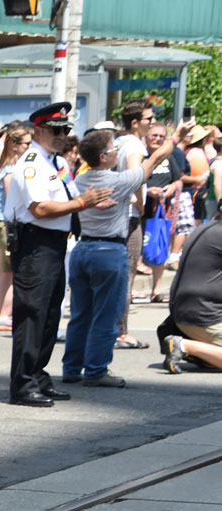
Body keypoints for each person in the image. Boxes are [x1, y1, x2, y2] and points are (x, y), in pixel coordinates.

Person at [3, 102, 115, 407]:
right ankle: (23, 384)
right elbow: (39, 208)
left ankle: (37, 376)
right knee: (32, 313)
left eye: (65, 130)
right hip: (35, 243)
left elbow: (66, 198)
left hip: (54, 242)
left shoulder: (55, 162)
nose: (63, 135)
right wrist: (82, 203)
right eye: (56, 130)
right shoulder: (31, 163)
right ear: (39, 130)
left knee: (50, 314)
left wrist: (88, 202)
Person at [63, 122, 189, 387]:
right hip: (109, 250)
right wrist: (176, 137)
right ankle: (96, 370)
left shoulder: (79, 181)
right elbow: (155, 159)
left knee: (80, 314)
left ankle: (72, 368)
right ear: (103, 157)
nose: (117, 152)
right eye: (113, 149)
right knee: (107, 314)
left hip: (83, 248)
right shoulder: (118, 181)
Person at [114, 98, 154, 349]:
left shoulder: (118, 141)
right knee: (127, 273)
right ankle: (121, 331)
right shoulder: (134, 145)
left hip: (115, 214)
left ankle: (113, 328)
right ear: (136, 122)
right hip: (128, 214)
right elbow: (134, 175)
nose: (153, 122)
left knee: (118, 273)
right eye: (149, 119)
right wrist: (139, 201)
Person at [164, 215, 222, 372]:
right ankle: (184, 346)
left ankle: (206, 353)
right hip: (204, 316)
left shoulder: (206, 228)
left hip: (186, 314)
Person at [0, 127, 32, 330]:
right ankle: (5, 315)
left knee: (3, 270)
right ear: (15, 146)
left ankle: (1, 311)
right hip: (7, 223)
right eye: (27, 144)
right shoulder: (9, 170)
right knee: (11, 272)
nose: (30, 147)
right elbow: (12, 200)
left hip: (2, 222)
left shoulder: (9, 167)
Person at [142, 123, 183, 301]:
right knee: (136, 249)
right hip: (140, 209)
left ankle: (156, 291)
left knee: (160, 248)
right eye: (154, 135)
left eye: (161, 136)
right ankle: (128, 291)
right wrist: (147, 191)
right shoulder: (140, 156)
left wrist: (172, 188)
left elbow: (178, 180)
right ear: (147, 137)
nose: (157, 139)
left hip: (161, 211)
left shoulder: (168, 158)